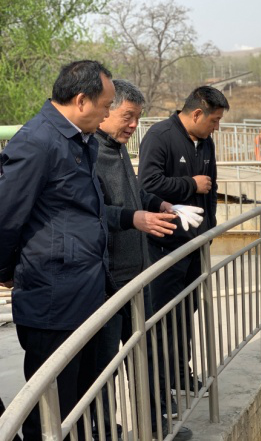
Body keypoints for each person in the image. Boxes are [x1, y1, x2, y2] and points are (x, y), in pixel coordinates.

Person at [0, 60, 115, 440]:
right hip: (53, 296)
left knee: (79, 402)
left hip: (84, 289)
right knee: (50, 408)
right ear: (81, 100)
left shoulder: (80, 140)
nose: (108, 114)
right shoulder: (37, 141)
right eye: (105, 106)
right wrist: (6, 272)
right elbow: (6, 216)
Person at [93, 79, 194, 440]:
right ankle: (106, 431)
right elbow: (93, 213)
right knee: (105, 366)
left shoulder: (119, 149)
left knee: (147, 355)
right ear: (106, 111)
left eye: (138, 117)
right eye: (127, 116)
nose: (134, 125)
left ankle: (154, 426)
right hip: (107, 282)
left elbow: (134, 194)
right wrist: (134, 218)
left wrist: (159, 204)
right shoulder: (89, 153)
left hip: (139, 274)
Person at [139, 86, 229, 396]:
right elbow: (148, 184)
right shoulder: (160, 137)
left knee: (186, 311)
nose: (216, 127)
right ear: (197, 114)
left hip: (196, 244)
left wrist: (210, 229)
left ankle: (180, 373)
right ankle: (162, 384)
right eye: (214, 121)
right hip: (166, 246)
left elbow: (210, 188)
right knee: (165, 315)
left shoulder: (205, 143)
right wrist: (190, 184)